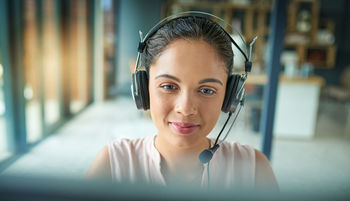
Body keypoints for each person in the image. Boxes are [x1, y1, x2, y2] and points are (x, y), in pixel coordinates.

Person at [87, 13, 278, 190]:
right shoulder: (113, 165)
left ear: (230, 97)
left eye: (206, 90)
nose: (186, 109)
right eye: (169, 86)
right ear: (143, 88)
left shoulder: (254, 170)